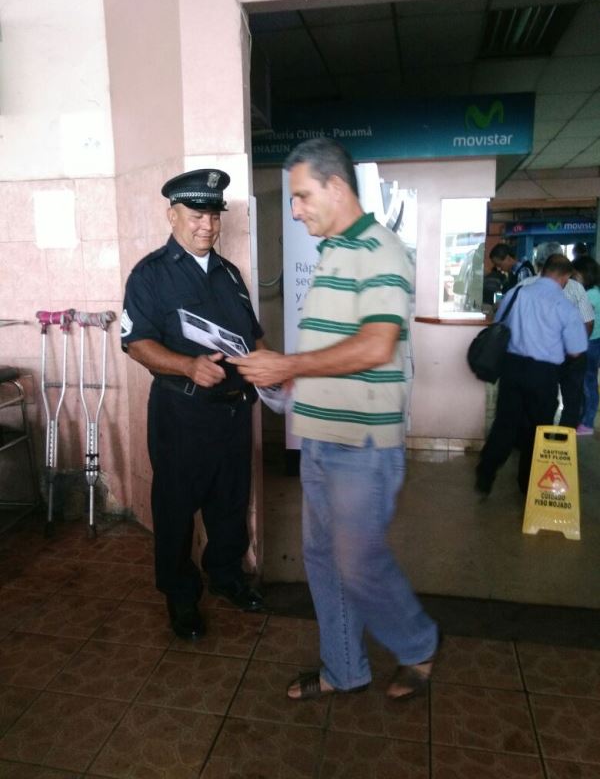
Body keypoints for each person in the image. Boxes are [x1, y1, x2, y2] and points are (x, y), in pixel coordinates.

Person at [229, 138, 439, 702]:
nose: (295, 210)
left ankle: (419, 644)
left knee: (357, 560)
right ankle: (345, 669)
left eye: (301, 196)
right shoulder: (333, 253)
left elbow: (376, 344)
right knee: (324, 560)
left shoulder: (381, 250)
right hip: (320, 438)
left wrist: (290, 364)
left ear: (337, 186)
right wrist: (288, 378)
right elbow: (335, 346)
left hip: (361, 445)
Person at [121, 168, 265, 640]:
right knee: (176, 509)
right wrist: (187, 366)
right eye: (196, 215)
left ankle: (225, 576)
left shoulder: (231, 274)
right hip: (181, 414)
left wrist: (272, 372)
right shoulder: (150, 275)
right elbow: (136, 343)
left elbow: (253, 338)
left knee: (230, 502)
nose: (207, 225)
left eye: (214, 216)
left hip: (233, 411)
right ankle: (181, 597)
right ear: (173, 216)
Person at [475, 254, 588, 496]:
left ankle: (485, 472)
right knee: (537, 429)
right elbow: (576, 350)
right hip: (544, 374)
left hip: (512, 367)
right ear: (565, 277)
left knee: (505, 422)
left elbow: (500, 321)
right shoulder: (564, 306)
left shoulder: (517, 293)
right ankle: (528, 484)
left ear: (543, 271)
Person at [524, 242, 593, 428]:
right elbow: (587, 322)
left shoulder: (526, 285)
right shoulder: (575, 288)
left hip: (539, 355)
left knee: (541, 399)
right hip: (570, 355)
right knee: (572, 400)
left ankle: (538, 436)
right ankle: (564, 438)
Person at [572, 255, 600, 435]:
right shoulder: (592, 292)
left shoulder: (591, 295)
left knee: (588, 384)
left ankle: (588, 423)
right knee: (585, 383)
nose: (573, 279)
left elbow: (580, 318)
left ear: (586, 274)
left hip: (591, 343)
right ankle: (583, 418)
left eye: (575, 275)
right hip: (590, 341)